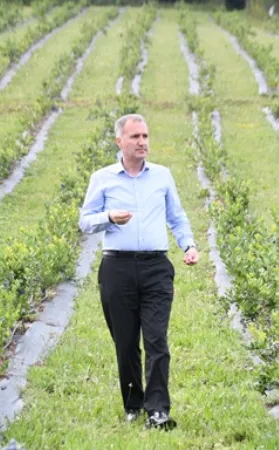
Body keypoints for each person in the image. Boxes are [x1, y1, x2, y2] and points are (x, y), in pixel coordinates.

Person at [79, 113, 199, 430]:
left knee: (157, 339)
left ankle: (158, 409)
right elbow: (85, 221)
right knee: (126, 341)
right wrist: (108, 217)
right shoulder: (102, 178)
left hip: (156, 267)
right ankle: (133, 405)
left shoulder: (162, 176)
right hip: (117, 267)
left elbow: (177, 216)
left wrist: (188, 245)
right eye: (135, 137)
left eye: (145, 136)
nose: (142, 142)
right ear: (120, 141)